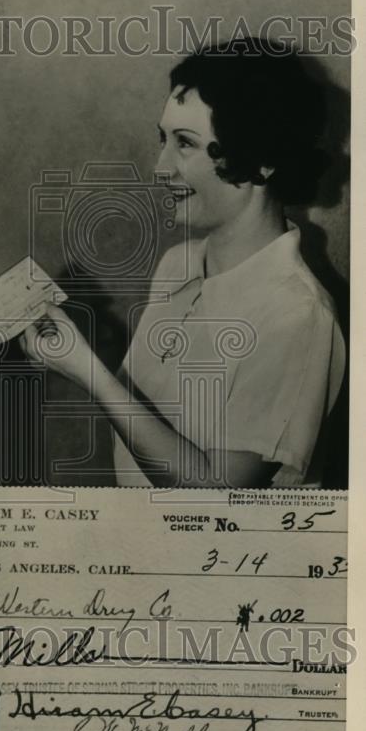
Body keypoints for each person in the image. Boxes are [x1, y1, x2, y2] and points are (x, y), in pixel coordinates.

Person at [22, 39, 346, 488]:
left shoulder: (298, 314)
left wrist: (88, 372)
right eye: (163, 139)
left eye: (186, 144)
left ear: (263, 159)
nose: (160, 166)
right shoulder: (179, 264)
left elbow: (215, 497)